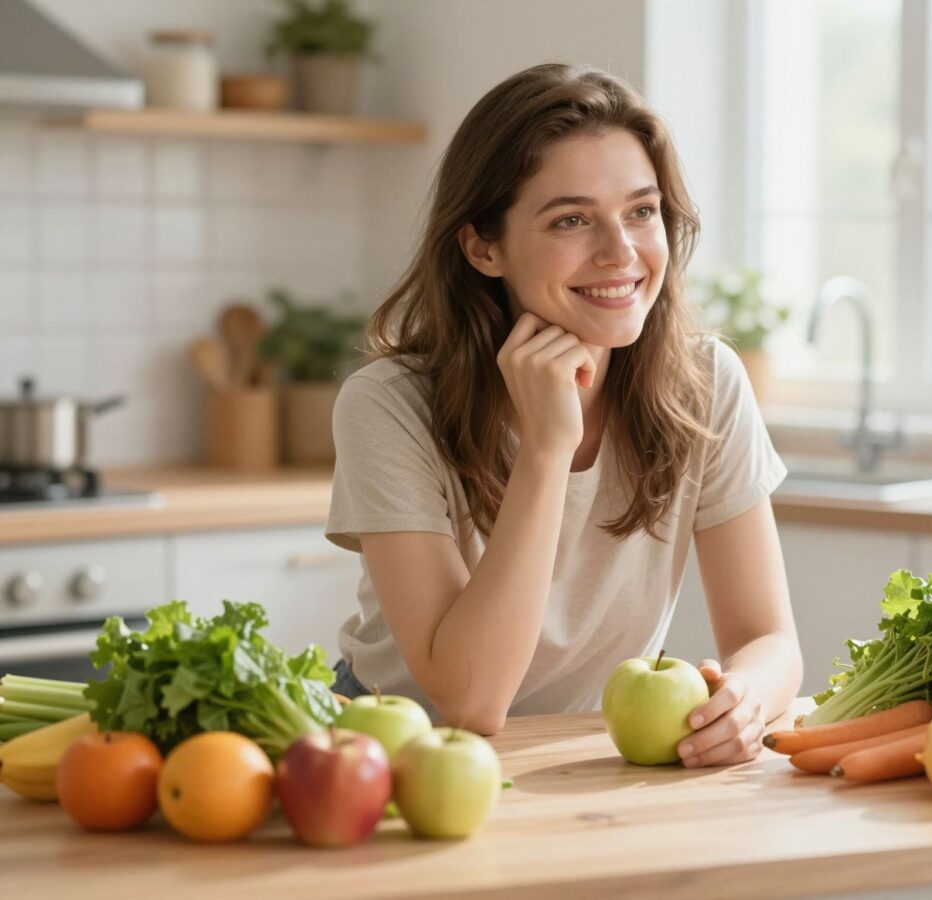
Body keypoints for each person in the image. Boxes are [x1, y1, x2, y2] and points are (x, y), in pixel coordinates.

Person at [325, 62, 802, 768]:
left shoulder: (706, 382)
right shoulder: (389, 405)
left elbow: (770, 640)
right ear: (484, 246)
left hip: (593, 750)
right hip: (404, 754)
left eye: (641, 211)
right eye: (572, 220)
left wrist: (745, 701)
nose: (621, 253)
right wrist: (548, 448)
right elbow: (472, 700)